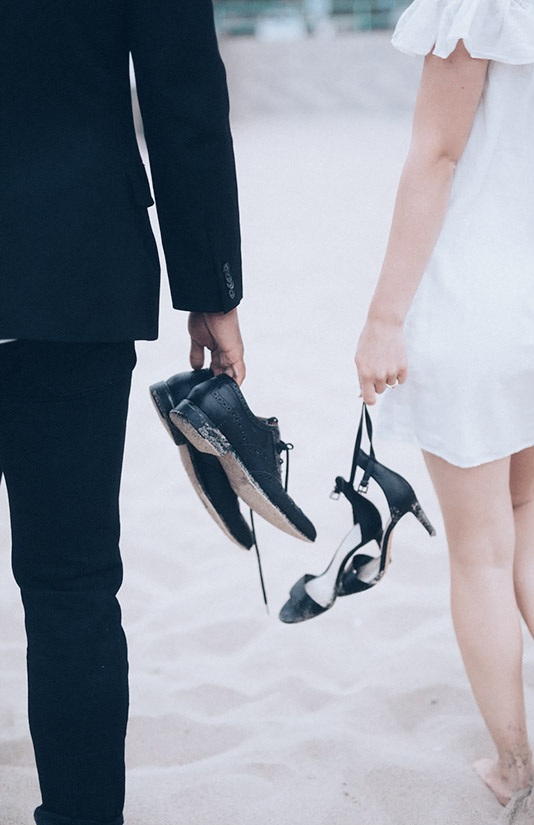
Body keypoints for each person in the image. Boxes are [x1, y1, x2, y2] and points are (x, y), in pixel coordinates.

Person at [0, 1, 245, 823]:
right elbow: (183, 91)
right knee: (71, 585)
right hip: (73, 264)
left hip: (77, 276)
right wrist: (211, 290)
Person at [355, 0, 534, 808]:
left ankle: (511, 762)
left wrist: (382, 319)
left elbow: (436, 154)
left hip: (478, 300)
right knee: (522, 504)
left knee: (479, 550)